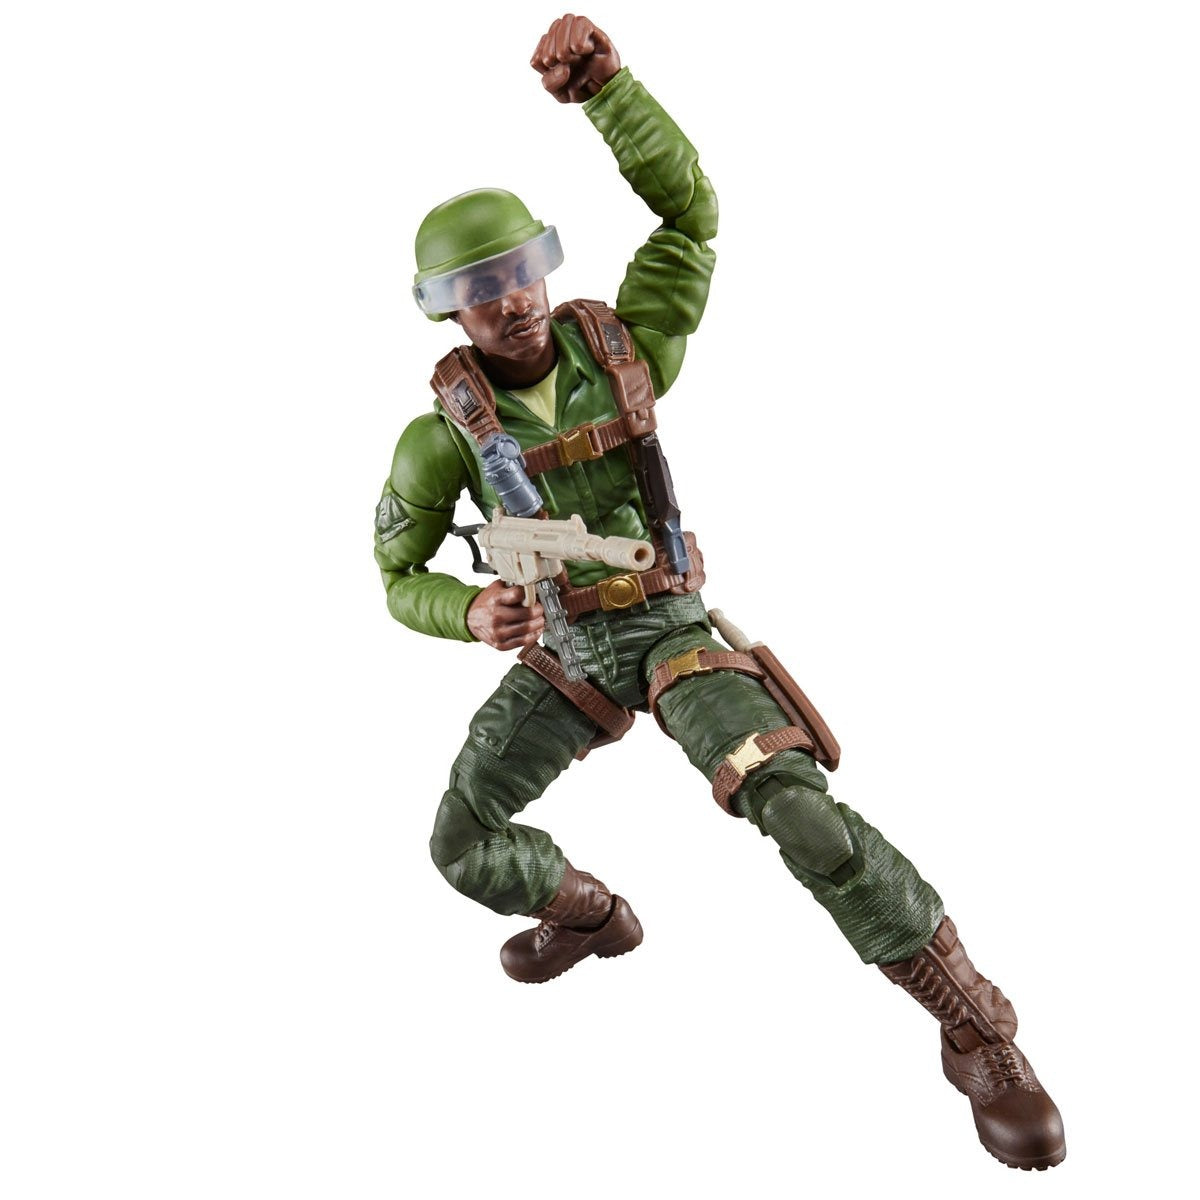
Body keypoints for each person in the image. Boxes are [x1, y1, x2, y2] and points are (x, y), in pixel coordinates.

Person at [374, 13, 1065, 1171]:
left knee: (794, 804)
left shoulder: (624, 350)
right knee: (460, 840)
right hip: (562, 654)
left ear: (545, 266)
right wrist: (467, 610)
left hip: (666, 631)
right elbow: (398, 573)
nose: (511, 301)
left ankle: (974, 1025)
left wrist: (609, 95)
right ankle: (588, 915)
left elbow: (689, 216)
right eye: (481, 290)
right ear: (448, 308)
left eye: (521, 272)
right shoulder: (435, 441)